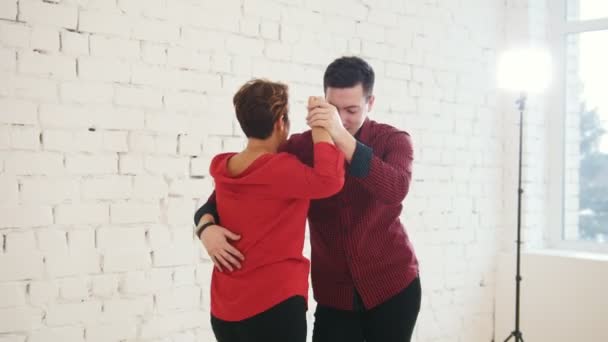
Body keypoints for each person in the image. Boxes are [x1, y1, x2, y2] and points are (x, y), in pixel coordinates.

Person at [195, 56, 421, 342]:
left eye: (351, 110)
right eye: (334, 109)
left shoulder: (393, 140)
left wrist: (340, 136)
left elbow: (395, 189)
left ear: (370, 103)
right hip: (334, 296)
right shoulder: (299, 148)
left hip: (393, 286)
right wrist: (205, 226)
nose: (342, 118)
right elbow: (236, 186)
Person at [198, 79, 345, 342]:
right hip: (274, 305)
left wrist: (204, 226)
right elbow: (329, 180)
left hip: (225, 310)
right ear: (281, 123)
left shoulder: (225, 169)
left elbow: (209, 208)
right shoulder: (281, 169)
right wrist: (322, 125)